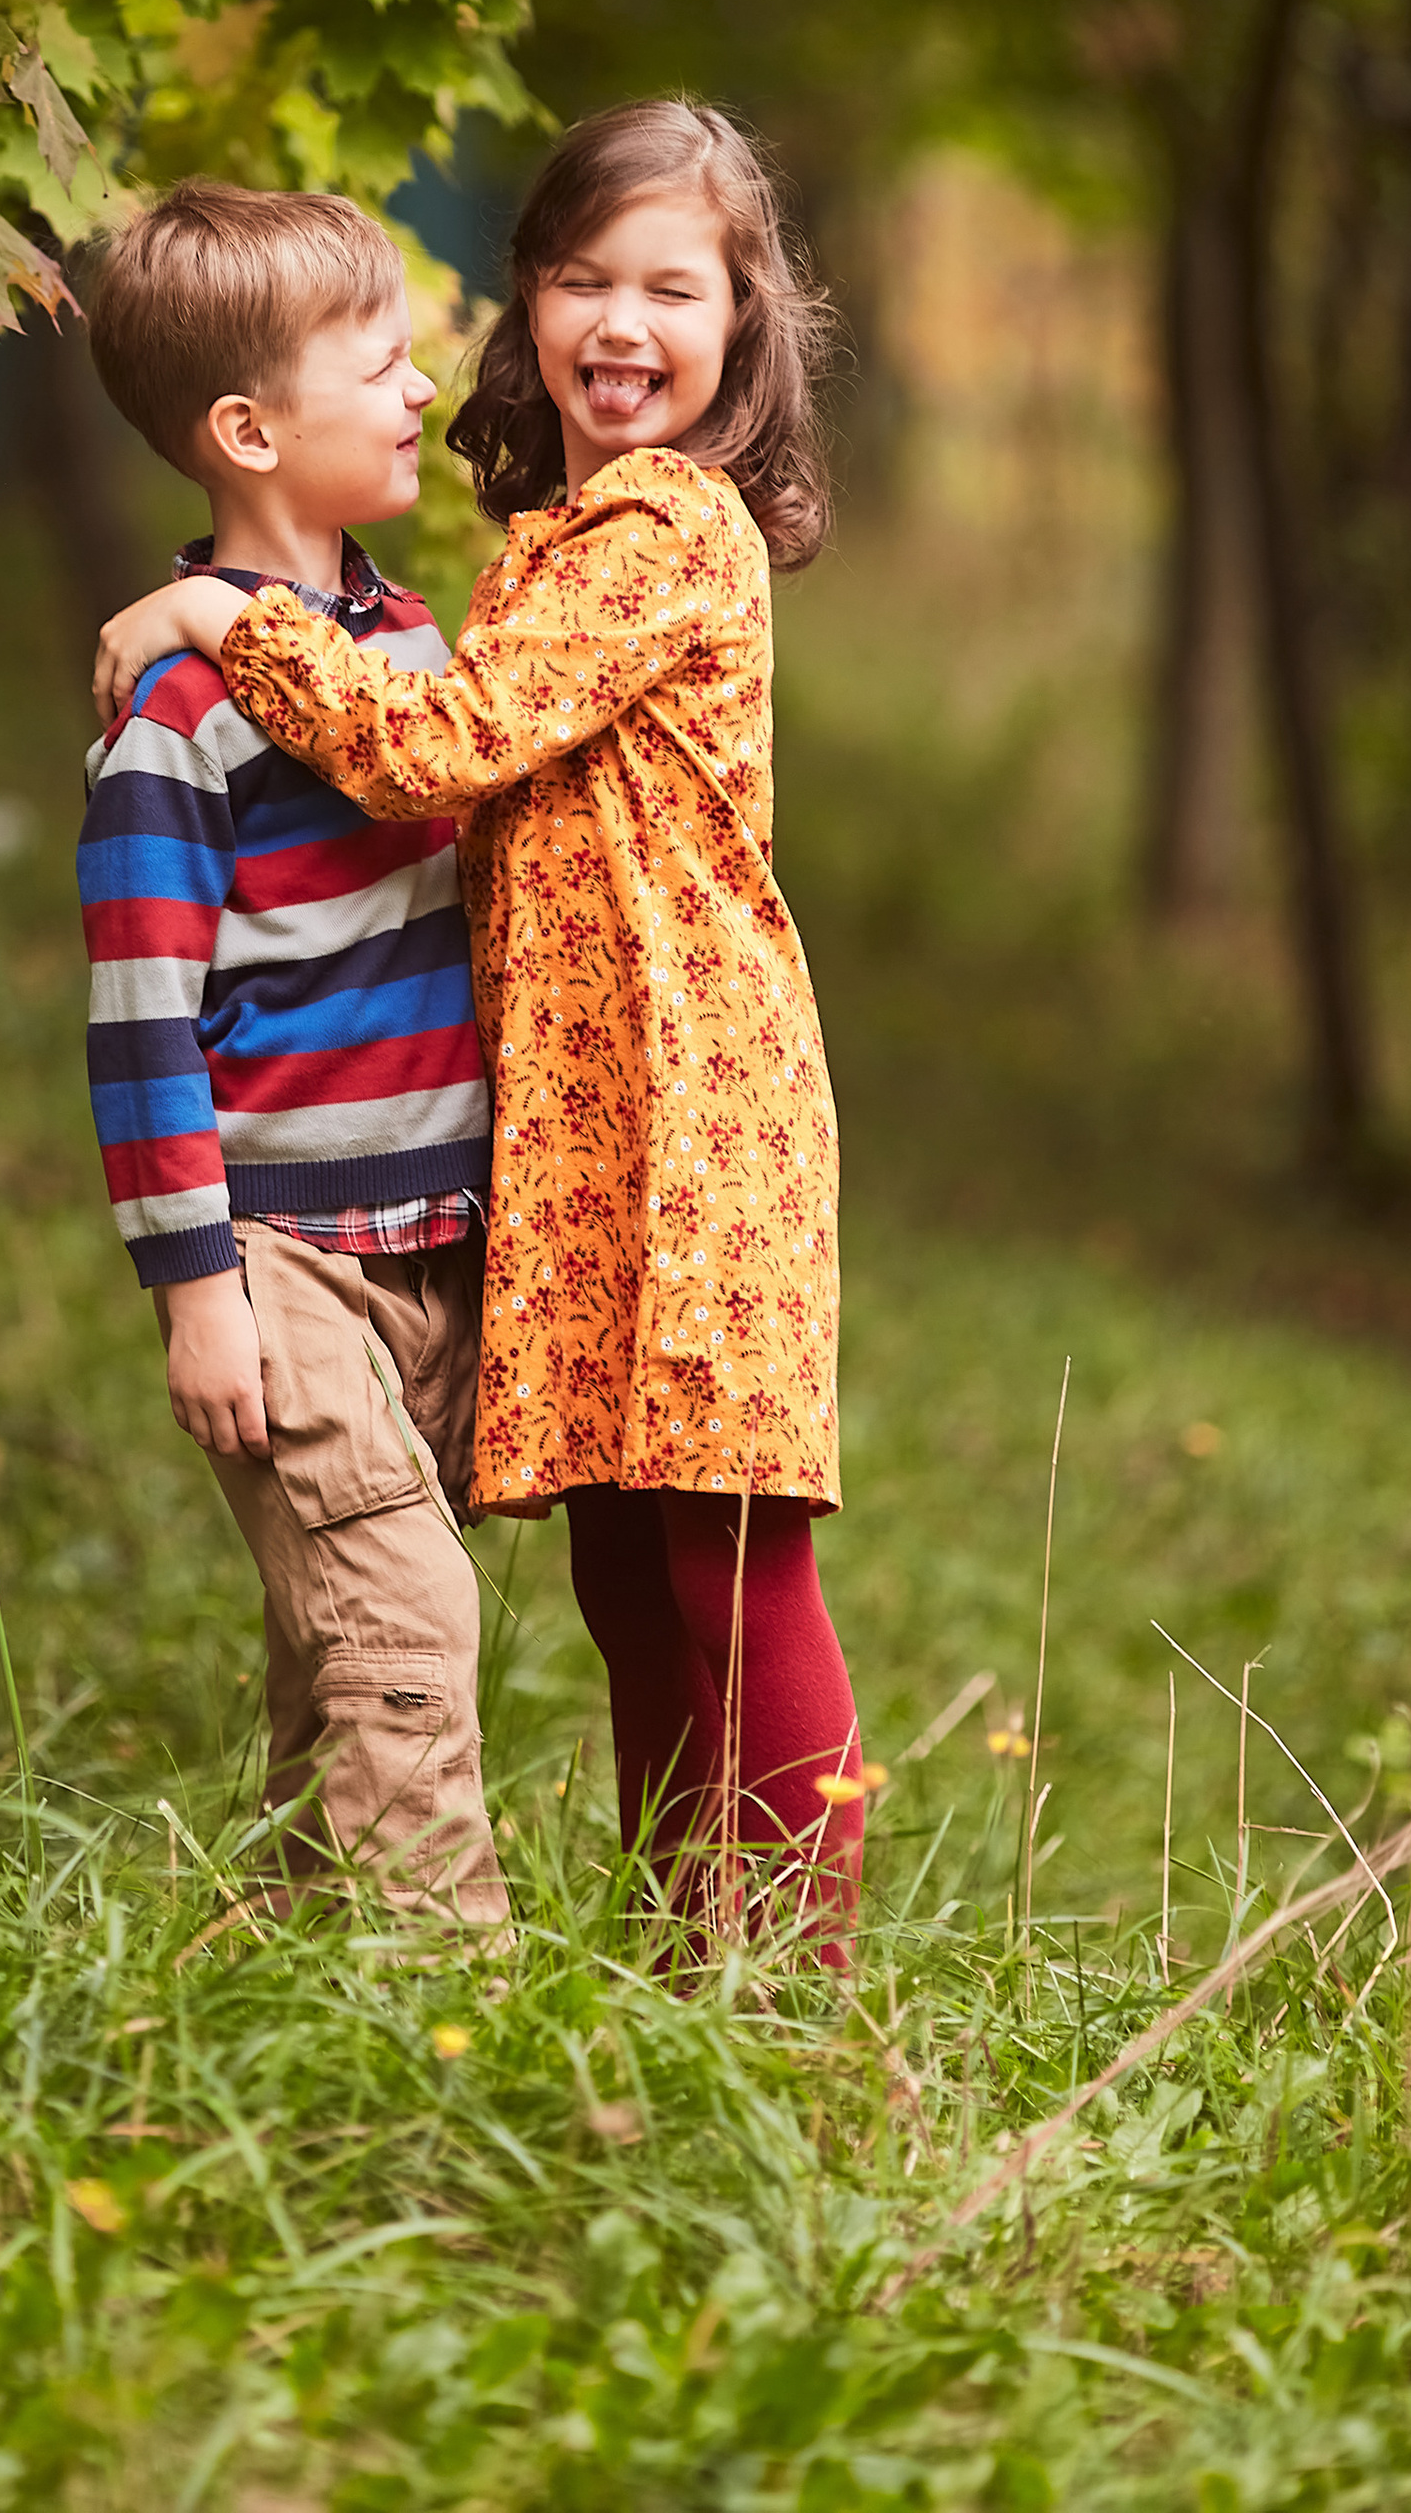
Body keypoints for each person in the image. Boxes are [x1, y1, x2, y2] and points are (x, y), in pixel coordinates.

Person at [93, 101, 864, 1960]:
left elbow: (431, 749)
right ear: (525, 299)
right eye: (581, 277)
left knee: (728, 1561)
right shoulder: (554, 534)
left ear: (746, 323)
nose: (623, 321)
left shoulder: (664, 527)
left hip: (694, 1117)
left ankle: (793, 1979)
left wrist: (219, 607)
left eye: (674, 288)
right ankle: (693, 1945)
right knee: (625, 1560)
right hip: (592, 1127)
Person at [76, 179, 507, 1929]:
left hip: (427, 1250)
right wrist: (198, 1290)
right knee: (408, 1634)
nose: (422, 393)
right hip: (282, 1266)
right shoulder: (176, 721)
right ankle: (458, 2023)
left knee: (329, 1657)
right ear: (250, 428)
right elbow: (139, 1024)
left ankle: (277, 1984)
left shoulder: (409, 652)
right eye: (383, 363)